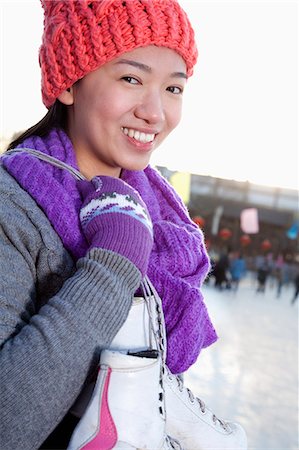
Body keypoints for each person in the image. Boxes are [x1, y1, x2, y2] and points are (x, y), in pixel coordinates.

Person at [0, 1, 247, 449]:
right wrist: (113, 266)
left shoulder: (162, 215)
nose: (155, 113)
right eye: (131, 79)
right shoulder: (12, 206)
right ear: (70, 84)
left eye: (174, 88)